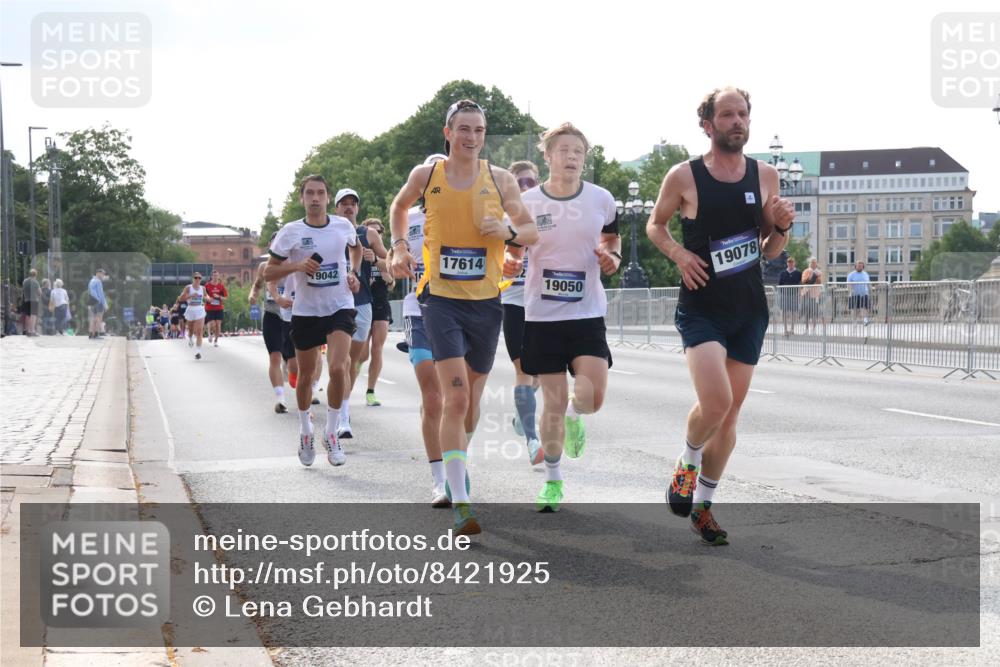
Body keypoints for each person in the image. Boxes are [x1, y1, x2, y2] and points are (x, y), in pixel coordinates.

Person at [646, 86, 794, 545]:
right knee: (716, 402)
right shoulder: (684, 176)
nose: (737, 121)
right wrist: (678, 255)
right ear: (708, 124)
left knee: (730, 418)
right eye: (727, 114)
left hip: (749, 309)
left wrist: (784, 228)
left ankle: (704, 507)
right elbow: (655, 224)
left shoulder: (765, 175)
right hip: (703, 306)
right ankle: (687, 464)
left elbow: (770, 249)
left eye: (743, 114)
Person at [389, 100, 538, 535]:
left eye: (479, 129)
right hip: (440, 299)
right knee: (453, 400)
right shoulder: (427, 176)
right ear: (448, 132)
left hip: (487, 301)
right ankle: (461, 503)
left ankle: (458, 466)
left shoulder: (500, 178)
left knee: (470, 404)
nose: (472, 136)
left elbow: (530, 231)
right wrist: (399, 247)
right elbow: (399, 208)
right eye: (464, 129)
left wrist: (509, 236)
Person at [518, 123, 621, 512]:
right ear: (548, 156)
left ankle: (579, 417)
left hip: (586, 312)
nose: (572, 157)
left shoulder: (601, 199)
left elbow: (612, 239)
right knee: (553, 404)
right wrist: (510, 258)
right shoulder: (527, 201)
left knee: (592, 398)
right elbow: (512, 247)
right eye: (563, 150)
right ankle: (553, 480)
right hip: (542, 315)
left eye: (578, 151)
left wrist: (613, 257)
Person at [265, 174, 362, 467]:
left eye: (321, 193)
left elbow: (356, 247)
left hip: (340, 306)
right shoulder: (290, 232)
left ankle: (331, 433)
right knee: (305, 376)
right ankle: (305, 430)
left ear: (328, 197)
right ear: (302, 198)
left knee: (337, 367)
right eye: (310, 193)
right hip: (306, 310)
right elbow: (268, 273)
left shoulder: (342, 226)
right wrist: (297, 266)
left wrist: (353, 273)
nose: (316, 198)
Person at [394, 153, 449, 505]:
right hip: (419, 312)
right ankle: (440, 479)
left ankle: (456, 459)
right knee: (433, 397)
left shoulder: (465, 213)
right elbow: (392, 258)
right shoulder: (409, 219)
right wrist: (395, 259)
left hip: (461, 312)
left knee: (457, 400)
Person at [501, 160, 544, 466]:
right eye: (520, 183)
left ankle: (522, 415)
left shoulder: (548, 215)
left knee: (540, 373)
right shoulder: (502, 218)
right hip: (513, 301)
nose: (526, 187)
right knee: (523, 370)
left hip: (545, 303)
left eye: (530, 182)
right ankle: (532, 439)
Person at [334, 190, 387, 437]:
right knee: (340, 362)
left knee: (352, 362)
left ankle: (343, 406)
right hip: (332, 304)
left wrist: (375, 258)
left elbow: (393, 262)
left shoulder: (369, 234)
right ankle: (343, 415)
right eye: (343, 204)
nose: (348, 207)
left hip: (362, 303)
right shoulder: (329, 231)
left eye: (352, 204)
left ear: (357, 208)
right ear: (336, 208)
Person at [250, 253, 299, 414]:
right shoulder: (264, 267)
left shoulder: (295, 266)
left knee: (294, 364)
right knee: (274, 356)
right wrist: (253, 294)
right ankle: (280, 399)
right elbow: (257, 284)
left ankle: (293, 376)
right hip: (272, 314)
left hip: (291, 317)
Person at [358, 217, 394, 407]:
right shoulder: (358, 252)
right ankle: (353, 372)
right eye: (370, 231)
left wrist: (377, 264)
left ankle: (371, 391)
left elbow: (392, 282)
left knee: (377, 349)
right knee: (362, 354)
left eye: (378, 232)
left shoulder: (384, 256)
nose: (375, 234)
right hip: (363, 303)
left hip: (380, 305)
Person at [176, 272, 208, 357]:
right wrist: (191, 296)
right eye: (196, 278)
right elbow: (181, 299)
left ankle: (198, 352)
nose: (197, 279)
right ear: (193, 279)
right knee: (190, 330)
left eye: (199, 278)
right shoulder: (188, 288)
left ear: (201, 279)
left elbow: (205, 296)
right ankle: (190, 338)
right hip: (190, 309)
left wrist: (208, 298)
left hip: (199, 309)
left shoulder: (203, 288)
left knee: (199, 331)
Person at [777, 256, 802, 335]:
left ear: (794, 264)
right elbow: (780, 284)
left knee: (793, 312)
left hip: (794, 295)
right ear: (787, 264)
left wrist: (799, 294)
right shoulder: (783, 273)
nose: (790, 264)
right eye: (789, 263)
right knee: (784, 312)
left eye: (792, 263)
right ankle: (785, 330)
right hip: (785, 295)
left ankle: (792, 329)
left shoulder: (798, 273)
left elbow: (801, 283)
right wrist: (781, 294)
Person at [204, 270, 228, 346]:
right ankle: (210, 333)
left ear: (218, 276)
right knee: (213, 324)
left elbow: (226, 297)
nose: (215, 277)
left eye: (217, 276)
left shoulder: (221, 286)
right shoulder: (207, 285)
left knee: (218, 325)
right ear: (211, 277)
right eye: (214, 276)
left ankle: (216, 340)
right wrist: (208, 298)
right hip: (210, 308)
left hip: (219, 308)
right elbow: (204, 295)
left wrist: (219, 297)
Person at [800, 257, 823, 334]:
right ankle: (806, 329)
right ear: (809, 263)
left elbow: (819, 282)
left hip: (815, 295)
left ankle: (814, 329)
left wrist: (816, 276)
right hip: (806, 294)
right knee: (807, 313)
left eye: (814, 262)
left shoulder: (819, 272)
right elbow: (803, 281)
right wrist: (811, 276)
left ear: (816, 263)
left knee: (814, 313)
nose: (813, 263)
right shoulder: (806, 271)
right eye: (812, 262)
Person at [846, 260, 871, 325]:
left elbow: (868, 284)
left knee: (865, 307)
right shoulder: (851, 274)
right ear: (855, 266)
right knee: (854, 309)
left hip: (864, 293)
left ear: (863, 267)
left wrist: (870, 290)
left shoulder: (866, 274)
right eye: (858, 266)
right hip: (854, 294)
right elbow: (848, 284)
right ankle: (854, 321)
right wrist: (850, 291)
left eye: (861, 266)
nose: (860, 267)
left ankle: (865, 320)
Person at [88, 269, 108, 339]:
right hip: (98, 302)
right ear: (98, 273)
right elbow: (101, 294)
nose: (103, 275)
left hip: (92, 301)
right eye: (102, 274)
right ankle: (96, 333)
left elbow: (90, 292)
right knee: (99, 318)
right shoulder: (98, 281)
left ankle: (91, 333)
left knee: (93, 318)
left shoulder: (91, 281)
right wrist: (104, 303)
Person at [21, 269, 41, 336]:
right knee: (33, 315)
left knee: (28, 315)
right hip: (34, 300)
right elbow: (40, 292)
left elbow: (23, 290)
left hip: (26, 300)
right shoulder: (35, 282)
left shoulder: (25, 281)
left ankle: (27, 330)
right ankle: (32, 331)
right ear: (36, 275)